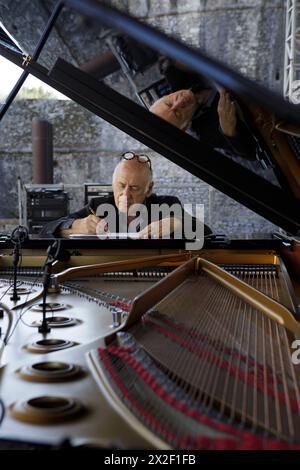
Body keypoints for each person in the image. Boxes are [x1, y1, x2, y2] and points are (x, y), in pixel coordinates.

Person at [39, 152, 212, 239]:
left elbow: (208, 235)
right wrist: (76, 226)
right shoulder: (98, 206)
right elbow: (45, 232)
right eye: (121, 186)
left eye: (135, 188)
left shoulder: (167, 205)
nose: (125, 195)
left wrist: (178, 223)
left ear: (149, 189)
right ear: (113, 184)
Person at [149, 62, 257, 160]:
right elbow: (251, 153)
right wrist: (230, 131)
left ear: (165, 96)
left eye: (169, 103)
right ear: (186, 126)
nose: (180, 101)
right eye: (178, 113)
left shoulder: (174, 73)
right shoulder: (208, 135)